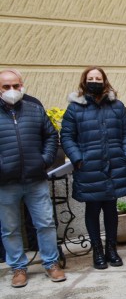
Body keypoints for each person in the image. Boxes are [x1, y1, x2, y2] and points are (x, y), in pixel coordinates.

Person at [61, 66, 126, 269]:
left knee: (111, 208)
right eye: (91, 78)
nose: (95, 81)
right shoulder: (75, 108)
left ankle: (112, 249)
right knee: (92, 208)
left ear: (105, 81)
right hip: (89, 166)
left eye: (98, 77)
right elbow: (67, 137)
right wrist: (78, 159)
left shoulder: (117, 106)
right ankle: (97, 251)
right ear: (84, 82)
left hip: (114, 164)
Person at [0, 69, 66, 287]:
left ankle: (51, 263)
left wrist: (44, 159)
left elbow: (50, 136)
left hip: (35, 179)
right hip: (6, 182)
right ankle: (18, 268)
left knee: (45, 223)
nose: (12, 90)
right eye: (6, 87)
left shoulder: (34, 110)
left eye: (15, 86)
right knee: (10, 228)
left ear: (22, 86)